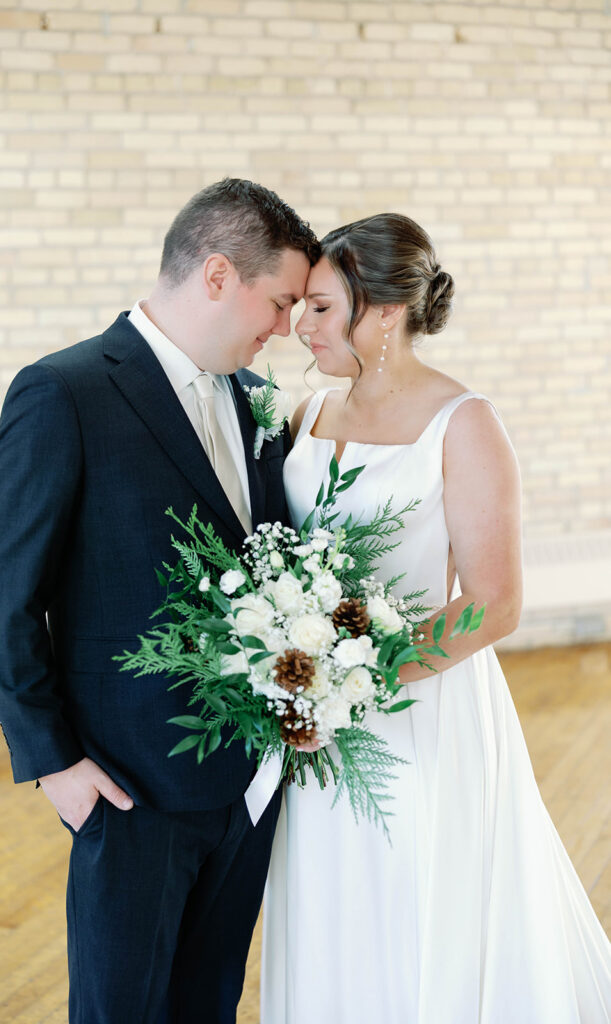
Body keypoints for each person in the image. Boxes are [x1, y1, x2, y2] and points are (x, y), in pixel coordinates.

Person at [0, 178, 319, 1024]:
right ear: (215, 275)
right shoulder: (65, 392)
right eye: (277, 303)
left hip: (247, 781)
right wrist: (56, 766)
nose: (284, 330)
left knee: (208, 1003)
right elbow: (5, 595)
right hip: (126, 787)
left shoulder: (248, 402)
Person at [261, 213, 611, 1022]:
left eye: (319, 306)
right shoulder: (305, 417)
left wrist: (350, 684)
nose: (297, 325)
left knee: (419, 893)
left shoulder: (466, 424)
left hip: (422, 709)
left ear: (383, 311)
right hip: (314, 723)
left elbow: (494, 605)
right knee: (330, 896)